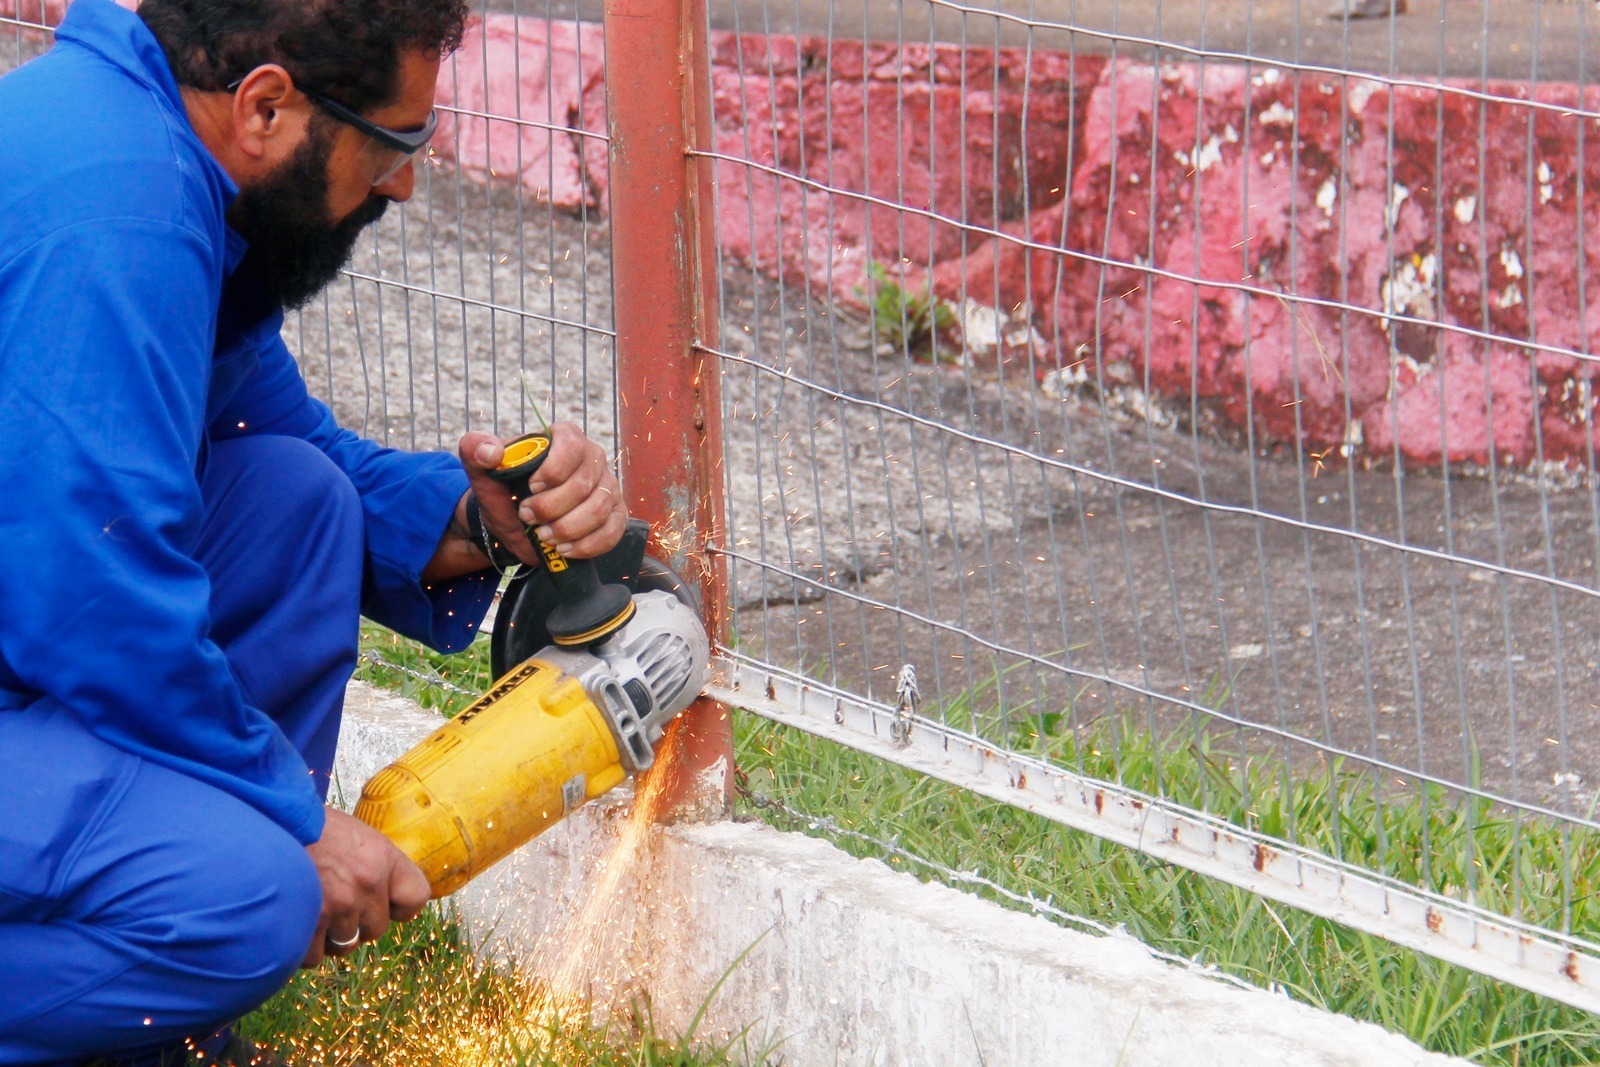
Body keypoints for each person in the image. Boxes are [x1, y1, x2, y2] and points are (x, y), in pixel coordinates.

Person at [0, 0, 627, 1061]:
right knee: (248, 900)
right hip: (58, 619)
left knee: (296, 501)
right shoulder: (119, 226)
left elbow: (283, 443)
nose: (404, 184)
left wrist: (481, 519)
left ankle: (144, 1023)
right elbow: (97, 600)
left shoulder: (145, 151)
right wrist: (295, 819)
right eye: (392, 143)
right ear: (265, 107)